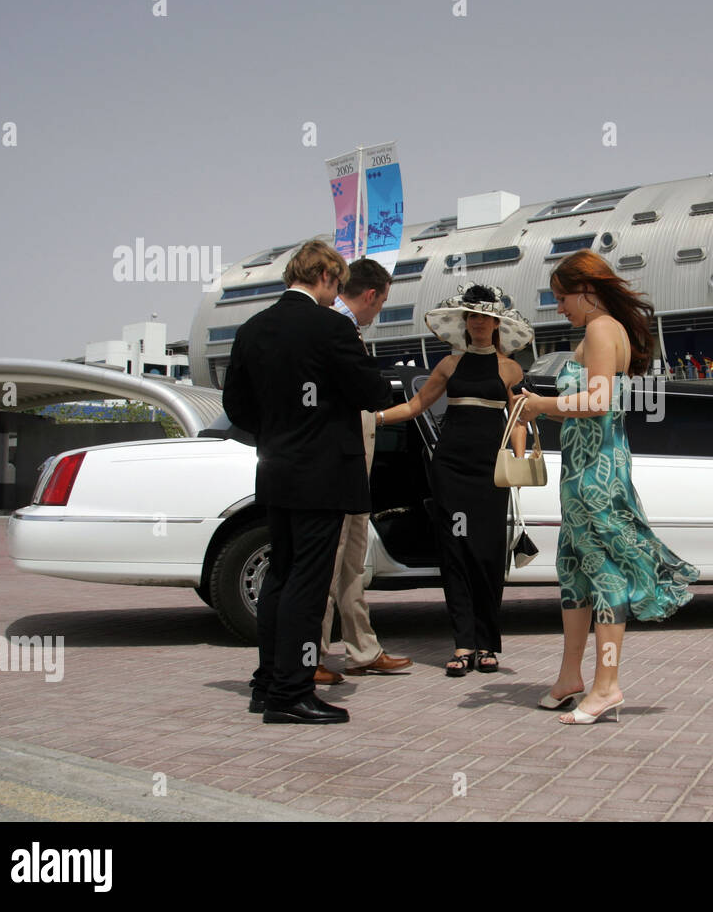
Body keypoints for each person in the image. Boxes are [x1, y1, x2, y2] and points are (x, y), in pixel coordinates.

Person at [520, 249, 698, 725]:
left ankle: (607, 685)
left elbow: (598, 400)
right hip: (586, 469)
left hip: (595, 473)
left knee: (603, 574)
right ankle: (570, 678)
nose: (559, 308)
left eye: (562, 298)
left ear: (588, 291)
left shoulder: (600, 330)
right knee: (574, 570)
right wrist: (543, 406)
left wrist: (542, 402)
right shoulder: (605, 330)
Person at [222, 240, 394, 724]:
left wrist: (279, 432)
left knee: (279, 576)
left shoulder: (252, 329)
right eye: (337, 283)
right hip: (324, 473)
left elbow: (236, 406)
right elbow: (371, 390)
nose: (336, 292)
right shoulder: (330, 326)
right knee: (307, 583)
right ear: (324, 276)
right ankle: (291, 694)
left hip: (276, 468)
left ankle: (267, 683)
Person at [376, 283, 532, 678]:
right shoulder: (448, 365)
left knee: (488, 554)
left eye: (486, 317)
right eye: (474, 316)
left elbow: (518, 420)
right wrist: (373, 418)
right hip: (450, 470)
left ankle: (488, 643)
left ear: (496, 323)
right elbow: (415, 405)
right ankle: (463, 643)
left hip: (490, 474)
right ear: (465, 321)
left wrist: (517, 460)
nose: (480, 322)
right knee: (456, 553)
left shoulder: (509, 368)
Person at [316, 258, 413, 682]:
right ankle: (314, 654)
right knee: (329, 558)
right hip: (337, 462)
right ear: (371, 295)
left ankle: (362, 648)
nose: (378, 314)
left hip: (356, 463)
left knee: (352, 558)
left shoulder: (341, 325)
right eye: (382, 303)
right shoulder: (333, 326)